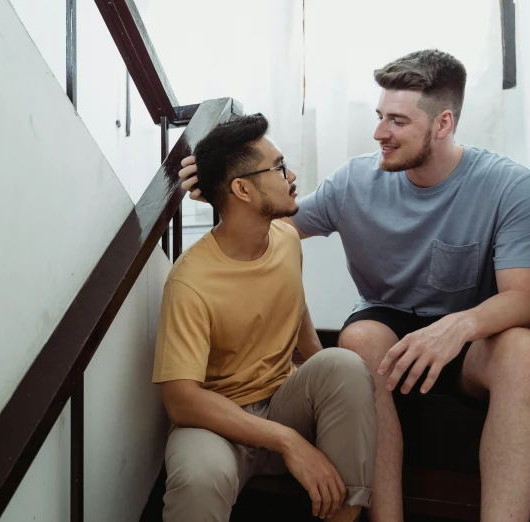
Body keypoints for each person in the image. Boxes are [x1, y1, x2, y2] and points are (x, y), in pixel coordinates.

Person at [178, 49, 530, 522]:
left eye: (396, 121)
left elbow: (523, 299)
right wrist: (222, 186)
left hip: (473, 336)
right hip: (386, 328)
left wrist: (457, 328)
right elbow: (274, 227)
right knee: (359, 340)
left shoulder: (508, 187)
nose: (379, 132)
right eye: (379, 116)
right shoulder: (356, 180)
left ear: (442, 124)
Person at [154, 113, 377, 522]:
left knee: (343, 363)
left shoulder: (287, 239)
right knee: (199, 476)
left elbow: (297, 314)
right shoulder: (190, 281)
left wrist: (322, 377)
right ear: (241, 189)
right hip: (216, 423)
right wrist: (288, 440)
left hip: (283, 400)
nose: (290, 174)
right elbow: (181, 400)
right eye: (277, 167)